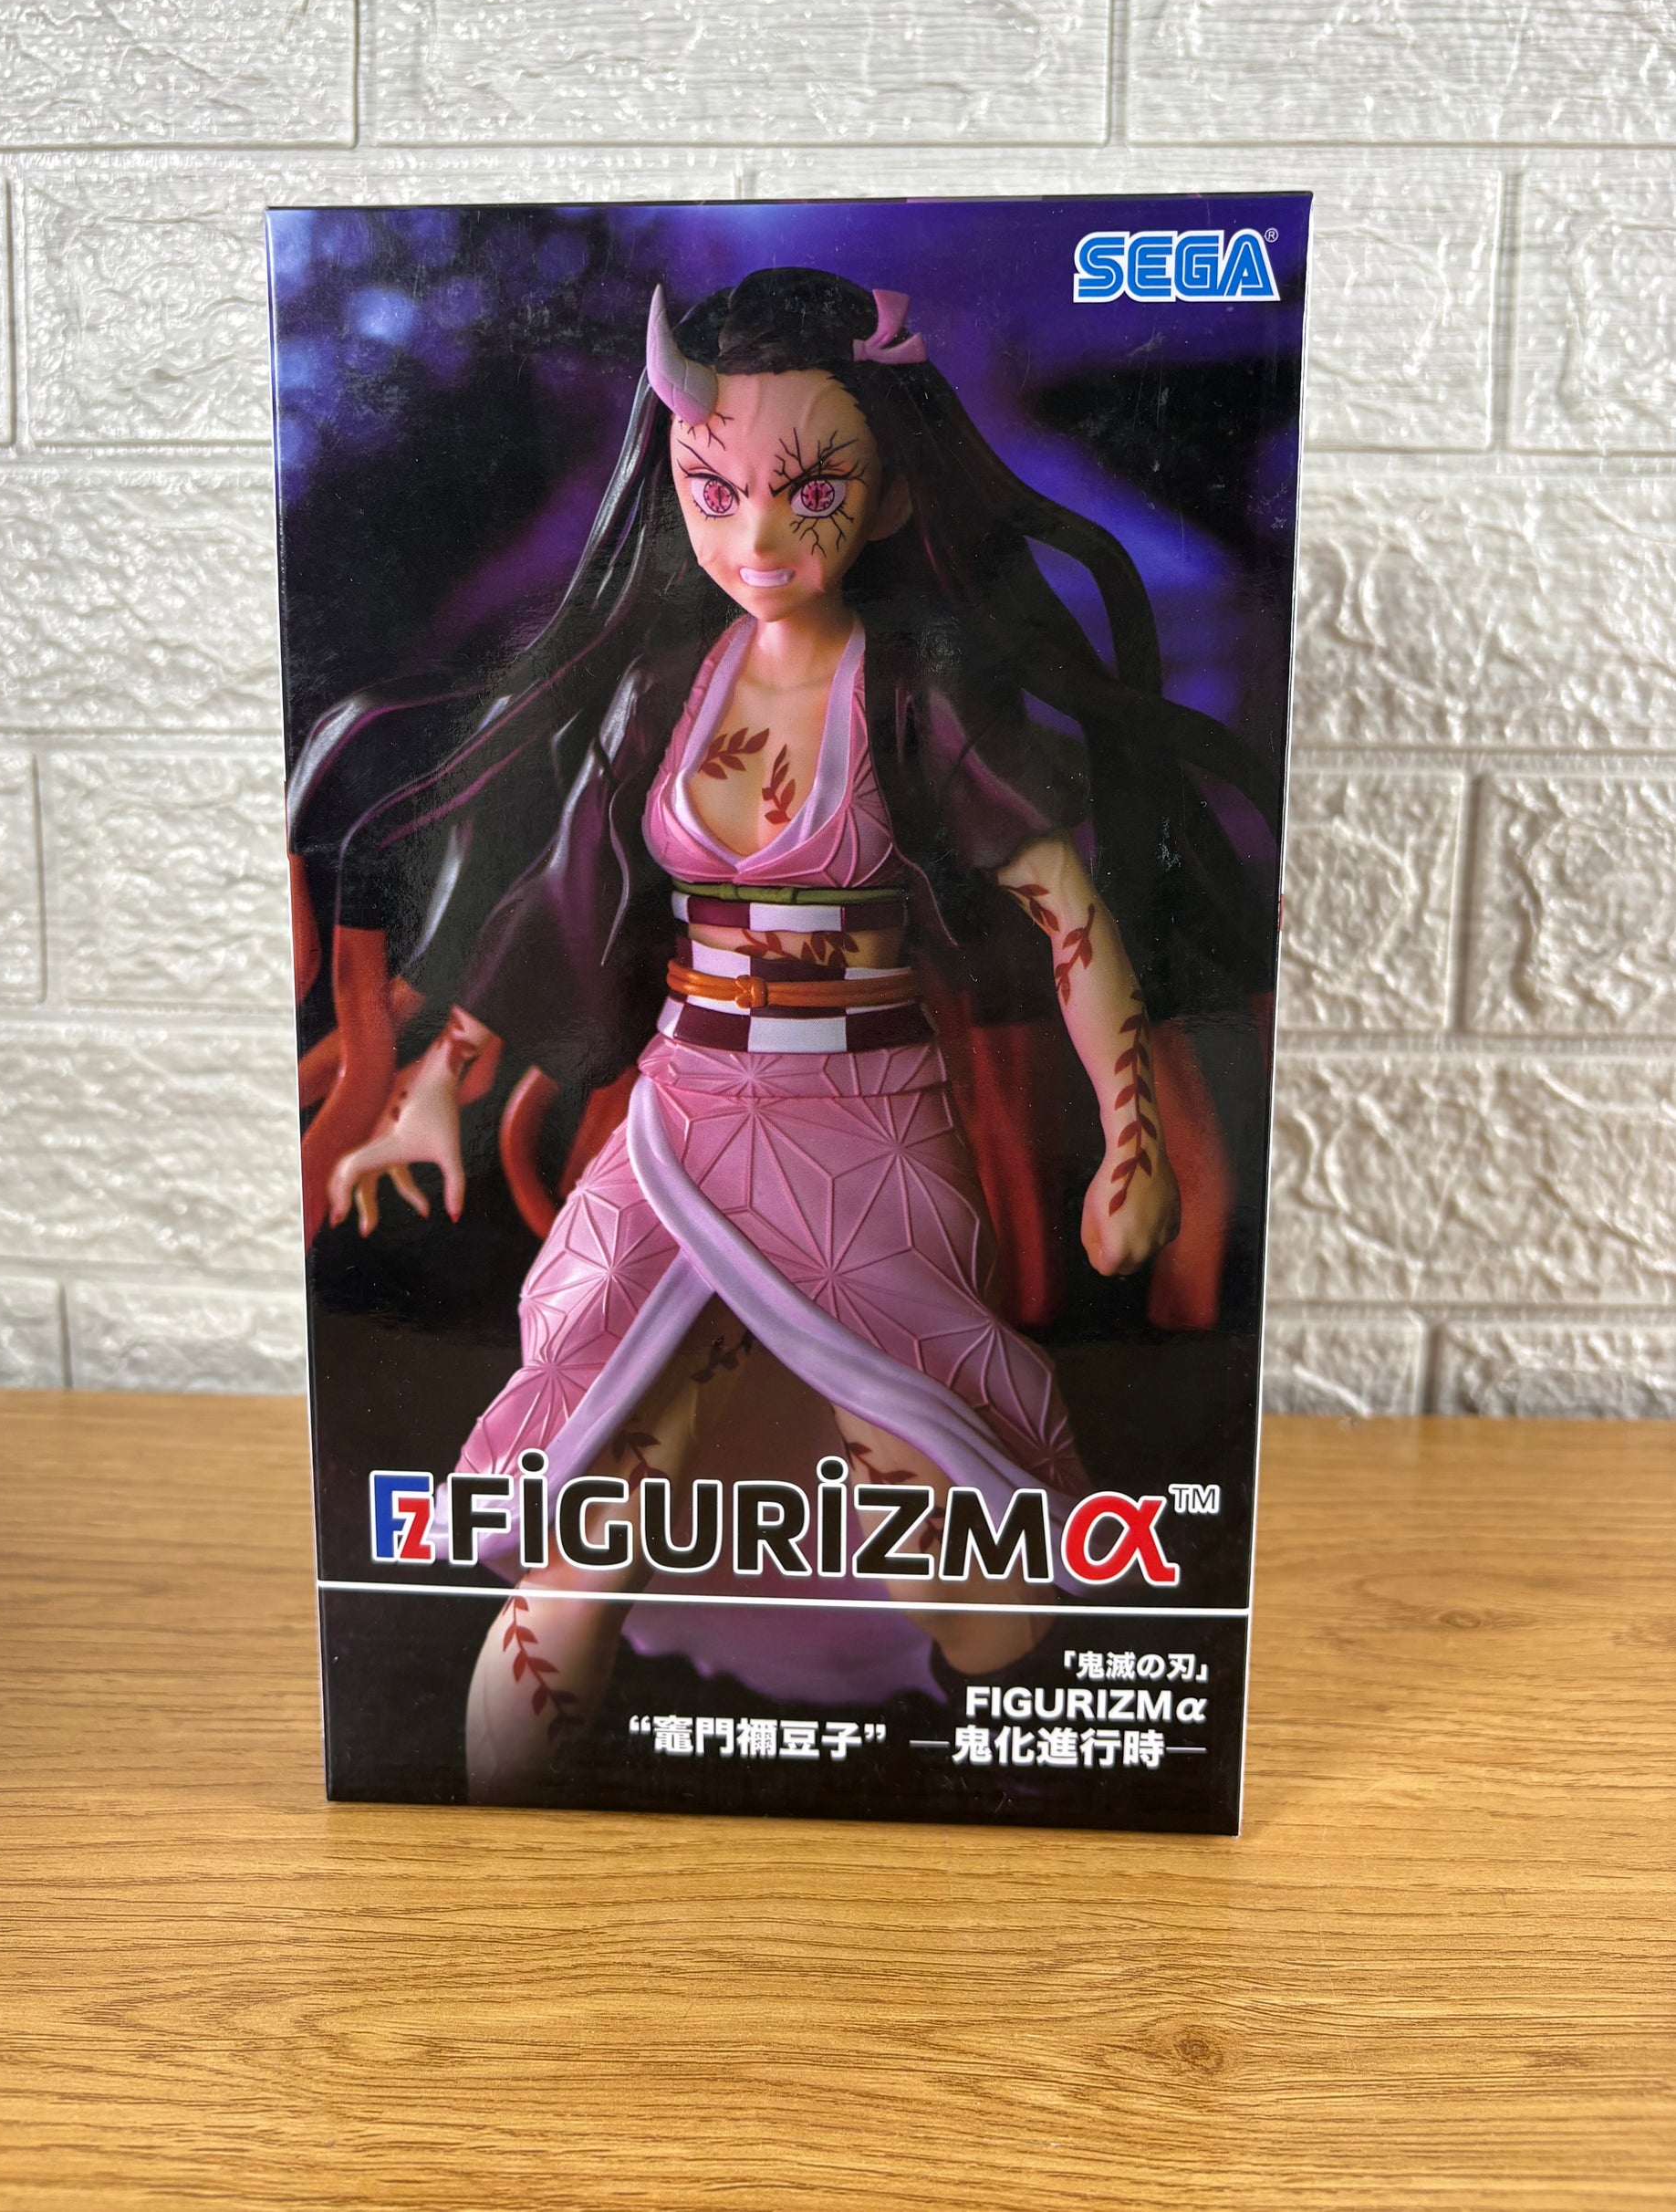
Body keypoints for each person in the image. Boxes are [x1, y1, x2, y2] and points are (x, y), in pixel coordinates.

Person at [289, 267, 1276, 1800]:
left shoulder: (915, 698)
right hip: (682, 1120)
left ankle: (1024, 1790)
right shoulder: (659, 696)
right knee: (597, 1506)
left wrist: (1131, 1139)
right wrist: (435, 1088)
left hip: (862, 1138)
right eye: (716, 490)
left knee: (934, 1511)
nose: (758, 534)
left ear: (885, 498)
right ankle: (483, 1848)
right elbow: (566, 906)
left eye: (810, 491)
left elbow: (1067, 916)